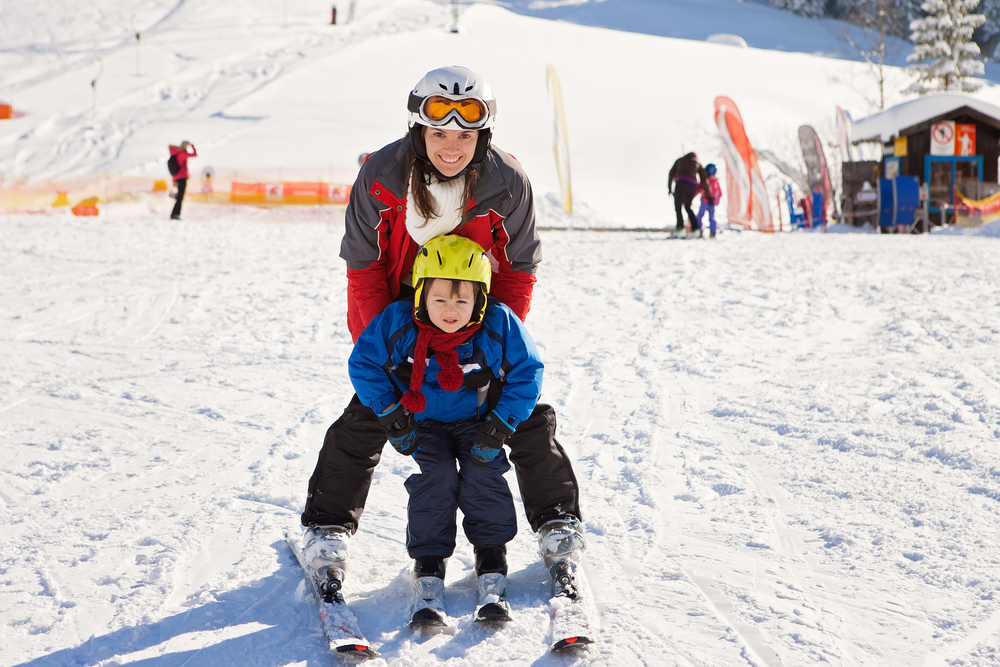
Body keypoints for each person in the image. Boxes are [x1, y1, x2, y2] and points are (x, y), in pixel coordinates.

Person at [301, 66, 584, 605]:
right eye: (438, 133)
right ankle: (327, 528)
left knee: (528, 419)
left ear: (482, 136)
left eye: (465, 134)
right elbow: (363, 269)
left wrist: (493, 345)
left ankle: (558, 526)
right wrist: (388, 352)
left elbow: (517, 271)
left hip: (476, 317)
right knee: (361, 421)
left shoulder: (507, 182)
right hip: (406, 316)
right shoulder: (382, 177)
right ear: (418, 131)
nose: (451, 145)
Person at [349, 235, 541, 626]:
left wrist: (501, 424)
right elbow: (364, 363)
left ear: (479, 301)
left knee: (482, 473)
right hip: (425, 423)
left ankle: (491, 556)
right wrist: (391, 414)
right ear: (420, 296)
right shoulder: (399, 322)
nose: (450, 310)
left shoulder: (498, 323)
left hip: (478, 424)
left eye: (461, 300)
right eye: (439, 300)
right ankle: (429, 563)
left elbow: (528, 372)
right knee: (434, 479)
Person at [668, 151, 709, 237]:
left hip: (680, 183)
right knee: (688, 206)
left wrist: (669, 188)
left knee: (678, 207)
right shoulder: (697, 163)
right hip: (692, 185)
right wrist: (708, 195)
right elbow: (703, 180)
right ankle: (696, 229)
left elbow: (671, 173)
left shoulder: (680, 160)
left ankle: (680, 229)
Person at [168, 141, 197, 220]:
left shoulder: (176, 153)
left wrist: (174, 179)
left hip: (177, 177)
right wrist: (193, 146)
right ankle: (175, 214)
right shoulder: (182, 154)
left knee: (179, 197)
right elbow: (195, 154)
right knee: (180, 197)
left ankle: (175, 213)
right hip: (182, 177)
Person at [696, 163, 723, 238]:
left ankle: (700, 229)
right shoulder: (715, 181)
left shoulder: (706, 180)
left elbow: (699, 188)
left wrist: (690, 197)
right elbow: (720, 193)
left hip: (705, 201)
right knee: (712, 217)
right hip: (712, 202)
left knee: (700, 216)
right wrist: (717, 200)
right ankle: (712, 231)